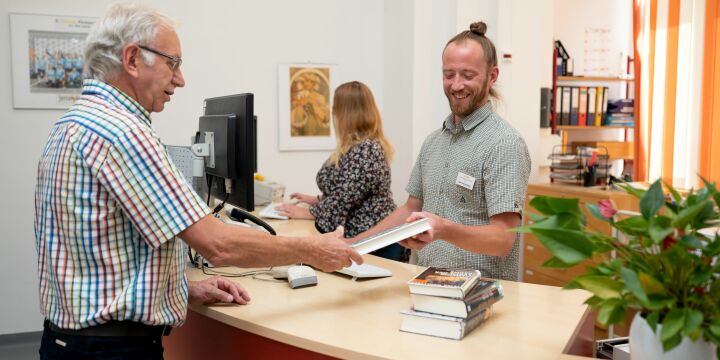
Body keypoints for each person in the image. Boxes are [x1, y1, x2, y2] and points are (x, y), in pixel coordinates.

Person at [34, 4, 361, 359]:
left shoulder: (73, 124)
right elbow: (218, 245)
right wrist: (313, 251)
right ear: (131, 59)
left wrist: (183, 290)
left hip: (71, 342)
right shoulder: (123, 134)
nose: (180, 79)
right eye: (172, 62)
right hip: (110, 349)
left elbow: (98, 257)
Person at [348, 22, 531, 280]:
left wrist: (444, 229)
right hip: (425, 283)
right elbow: (410, 208)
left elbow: (503, 239)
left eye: (468, 75)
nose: (456, 85)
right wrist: (353, 244)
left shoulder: (504, 143)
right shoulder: (434, 142)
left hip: (481, 293)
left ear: (492, 76)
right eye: (449, 74)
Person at [276, 81, 404, 261]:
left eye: (335, 107)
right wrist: (316, 200)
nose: (332, 112)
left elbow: (345, 197)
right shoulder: (353, 146)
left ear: (345, 112)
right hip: (360, 236)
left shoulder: (367, 148)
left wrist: (309, 213)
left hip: (375, 243)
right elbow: (348, 190)